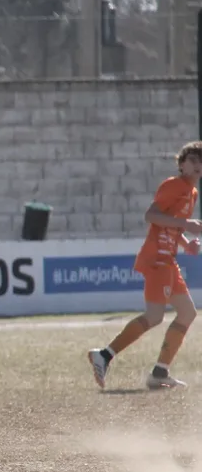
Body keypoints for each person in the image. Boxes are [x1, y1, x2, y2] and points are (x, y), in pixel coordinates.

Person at [88, 141, 202, 390]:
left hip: (168, 260)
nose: (197, 164)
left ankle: (160, 372)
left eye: (200, 161)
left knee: (187, 313)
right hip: (157, 258)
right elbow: (151, 216)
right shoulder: (174, 185)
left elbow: (170, 225)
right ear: (182, 165)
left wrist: (185, 243)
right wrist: (189, 225)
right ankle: (104, 355)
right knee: (154, 316)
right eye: (192, 160)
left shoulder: (191, 193)